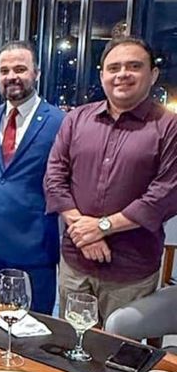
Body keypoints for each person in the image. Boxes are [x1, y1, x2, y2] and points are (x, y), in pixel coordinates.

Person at [45, 36, 177, 323]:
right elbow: (54, 177)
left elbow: (165, 194)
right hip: (75, 261)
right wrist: (84, 232)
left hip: (130, 270)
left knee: (119, 346)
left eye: (134, 66)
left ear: (153, 74)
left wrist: (102, 227)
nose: (122, 74)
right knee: (71, 340)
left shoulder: (169, 127)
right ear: (102, 74)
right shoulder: (77, 119)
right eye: (114, 67)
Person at [0, 41, 64, 314]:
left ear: (36, 73)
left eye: (20, 69)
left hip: (33, 246)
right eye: (4, 70)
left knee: (35, 326)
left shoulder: (58, 122)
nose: (11, 76)